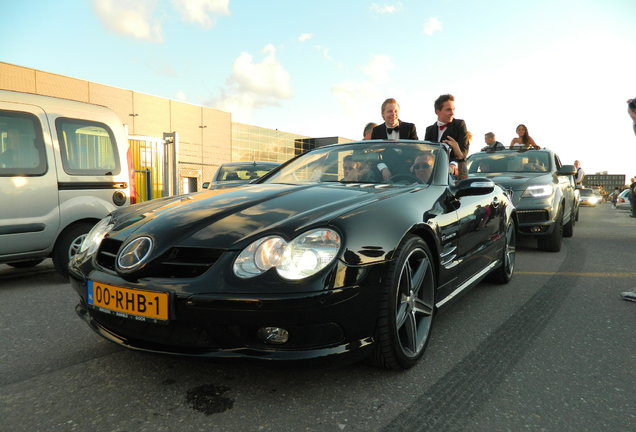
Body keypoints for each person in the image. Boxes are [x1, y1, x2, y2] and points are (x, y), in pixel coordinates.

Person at [424, 94, 469, 179]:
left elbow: (464, 150)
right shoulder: (429, 130)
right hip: (433, 174)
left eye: (453, 109)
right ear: (437, 111)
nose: (452, 113)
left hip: (454, 174)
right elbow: (426, 153)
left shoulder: (460, 124)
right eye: (448, 110)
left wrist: (453, 165)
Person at [370, 98, 418, 180]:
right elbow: (375, 155)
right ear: (382, 114)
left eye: (395, 111)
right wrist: (383, 168)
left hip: (408, 168)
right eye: (390, 111)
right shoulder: (377, 130)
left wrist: (414, 165)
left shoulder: (410, 127)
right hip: (385, 169)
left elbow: (415, 149)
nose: (393, 114)